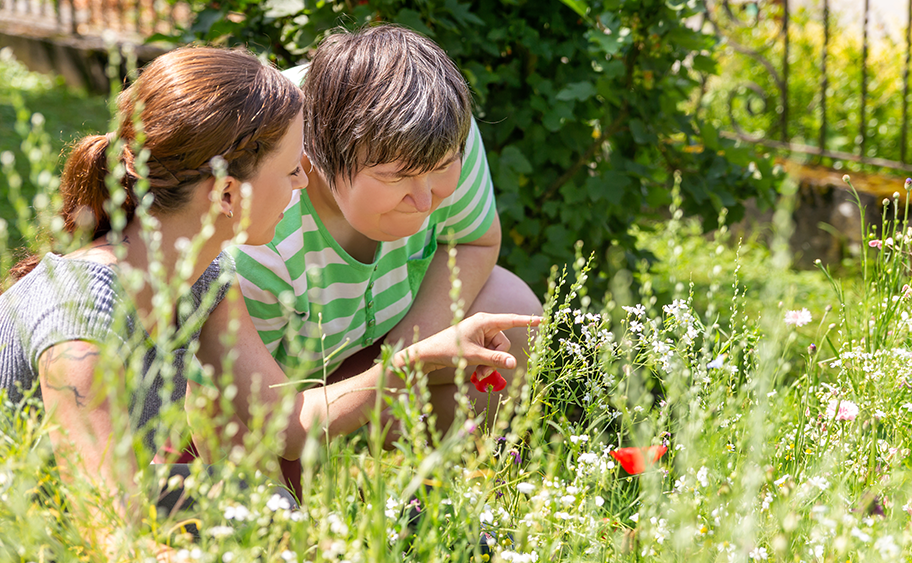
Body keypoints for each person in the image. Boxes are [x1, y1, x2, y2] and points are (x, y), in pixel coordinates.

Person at [0, 46, 539, 559]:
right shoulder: (82, 321)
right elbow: (107, 535)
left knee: (268, 514)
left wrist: (420, 357)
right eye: (290, 171)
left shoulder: (204, 279)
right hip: (32, 526)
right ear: (228, 195)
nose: (306, 182)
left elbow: (287, 421)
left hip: (105, 510)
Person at [234, 24, 543, 429]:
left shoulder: (436, 128)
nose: (425, 200)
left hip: (375, 343)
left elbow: (474, 241)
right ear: (317, 157)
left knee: (513, 311)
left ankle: (421, 476)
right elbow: (249, 410)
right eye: (396, 177)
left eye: (442, 167)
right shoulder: (260, 219)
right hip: (271, 391)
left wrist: (406, 362)